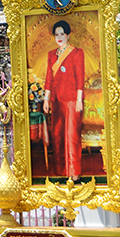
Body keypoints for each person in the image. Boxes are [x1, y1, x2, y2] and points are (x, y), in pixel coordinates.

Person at [43, 20, 85, 179]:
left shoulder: (76, 53)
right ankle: (62, 171)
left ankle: (74, 173)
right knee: (58, 135)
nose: (59, 37)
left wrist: (80, 99)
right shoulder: (51, 55)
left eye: (62, 34)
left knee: (71, 136)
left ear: (68, 35)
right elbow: (49, 78)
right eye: (56, 34)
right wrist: (46, 99)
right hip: (57, 100)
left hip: (73, 100)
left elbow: (80, 77)